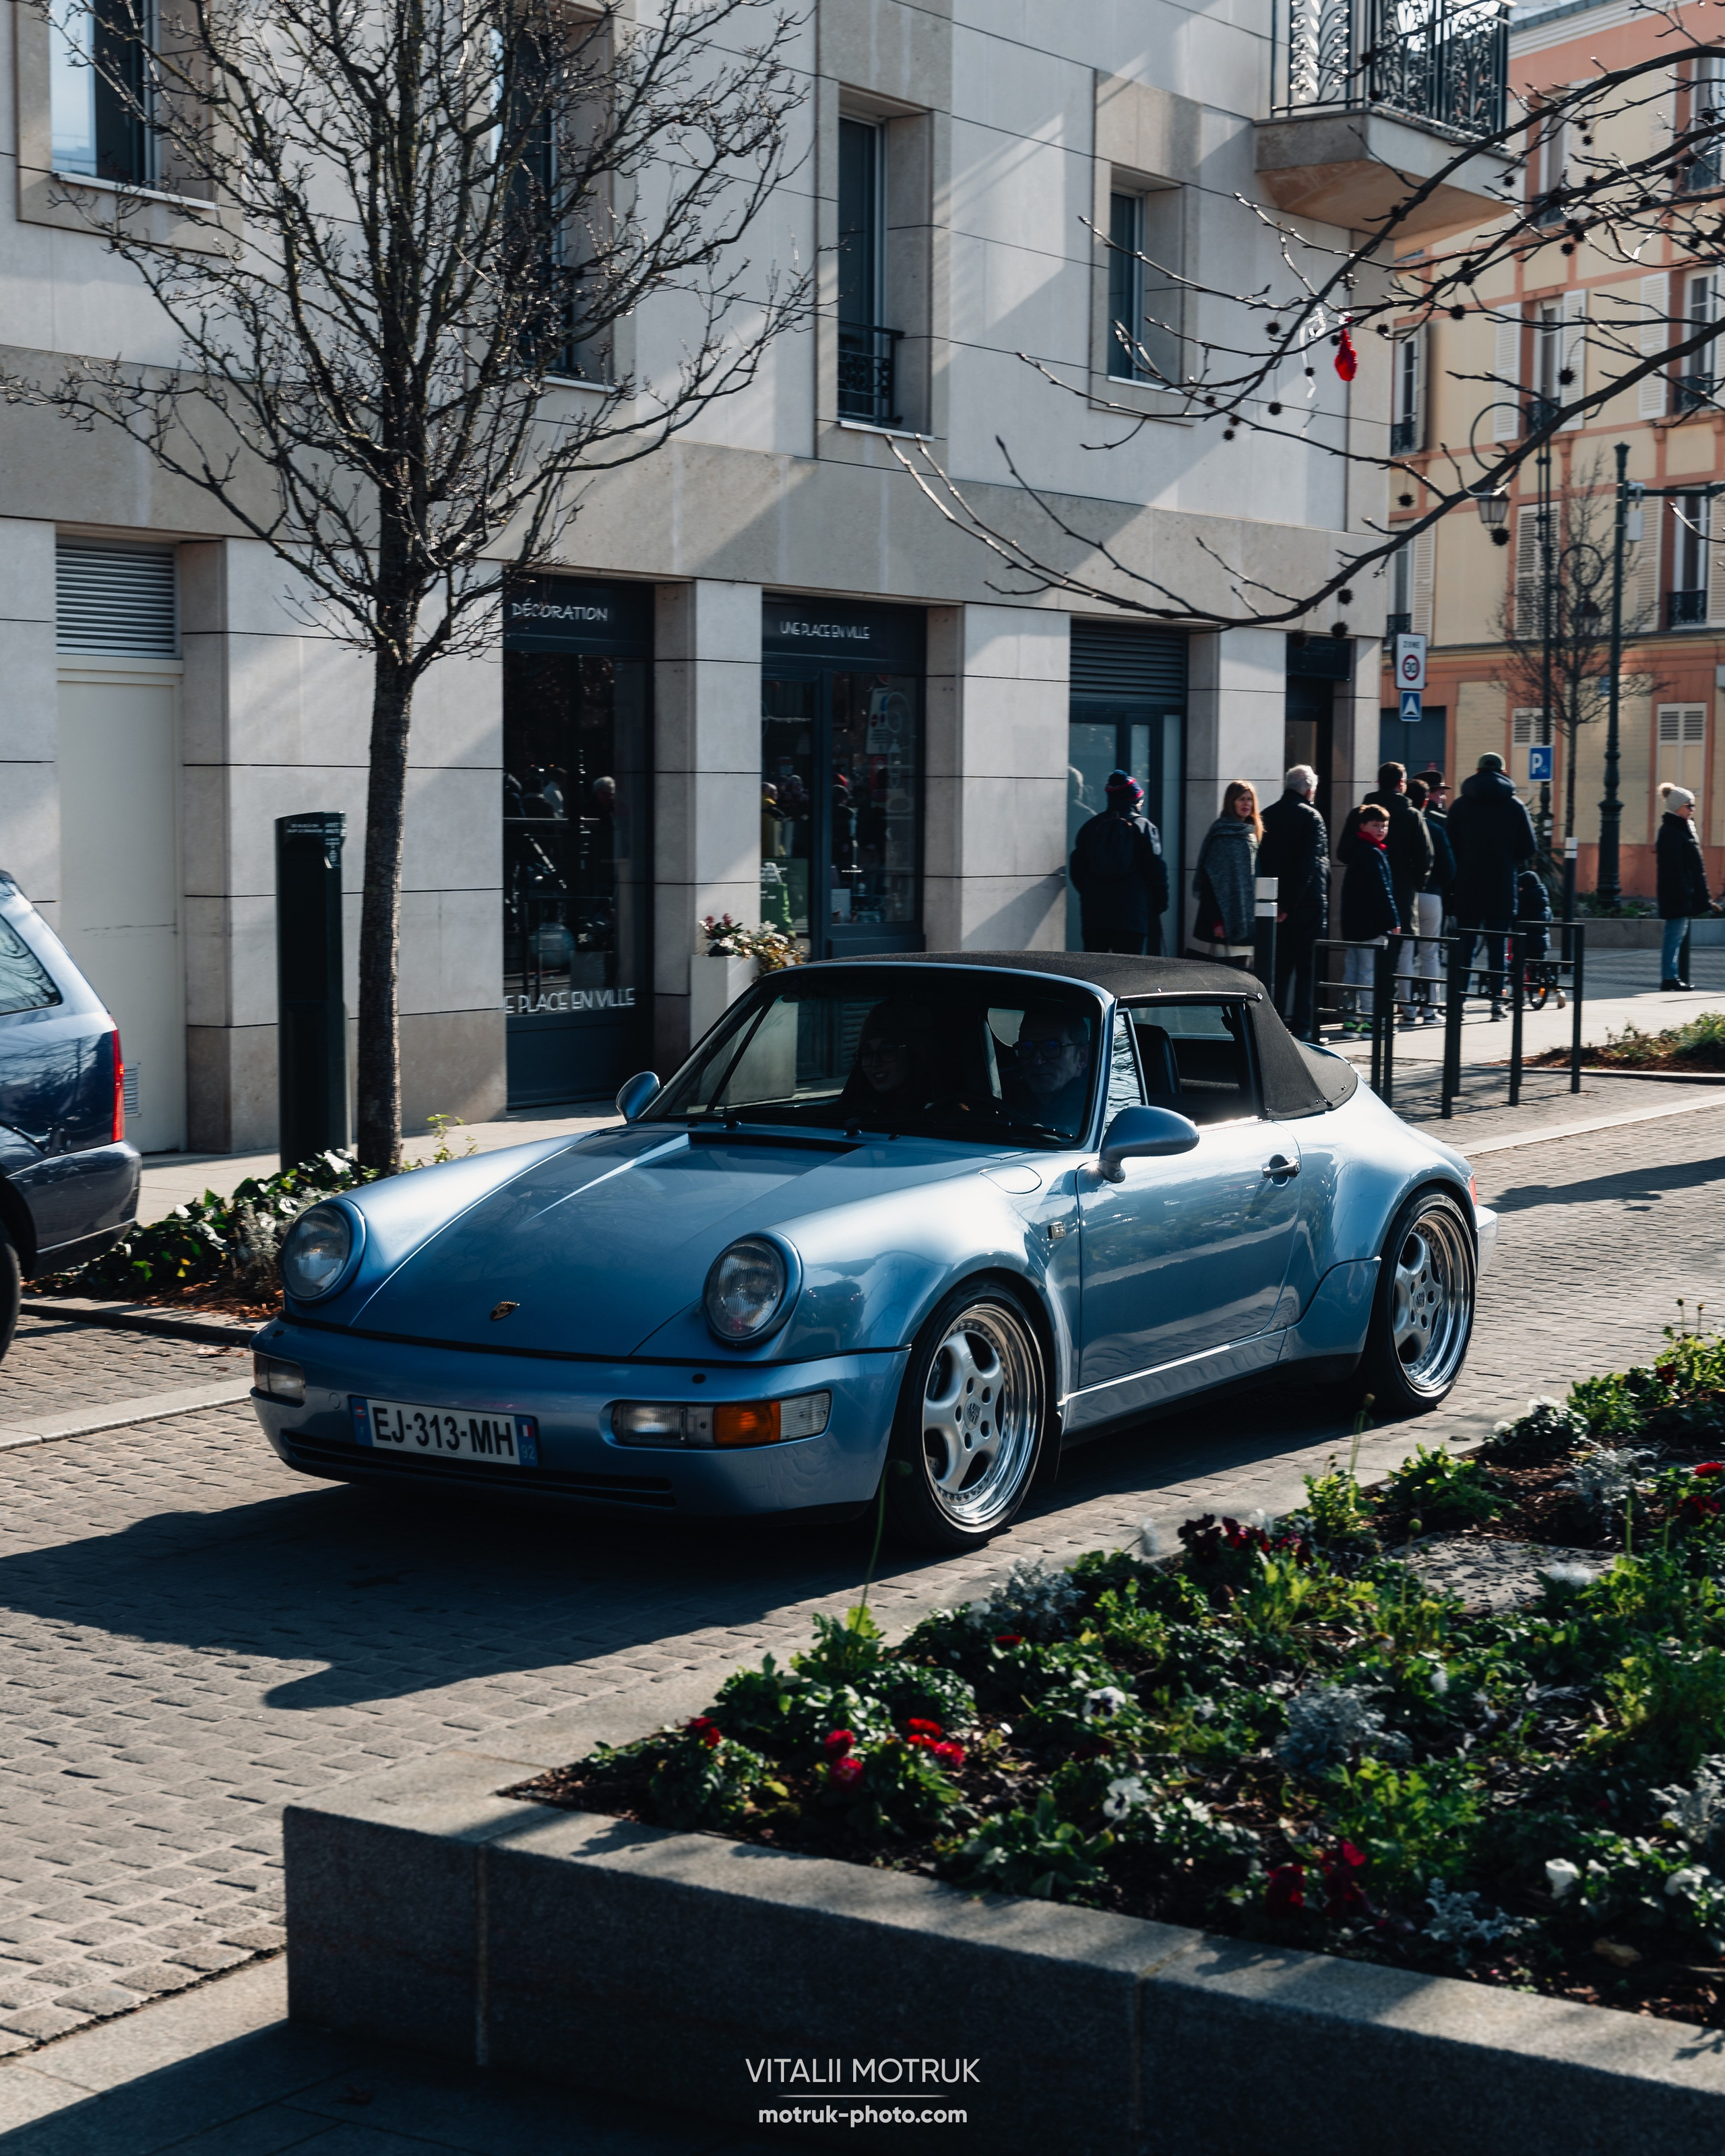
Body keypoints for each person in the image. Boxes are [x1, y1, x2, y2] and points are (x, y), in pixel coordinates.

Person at [1445, 752, 1538, 1021]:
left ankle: (1459, 1002)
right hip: (1502, 885)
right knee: (1498, 947)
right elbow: (1529, 847)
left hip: (1467, 885)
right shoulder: (1515, 805)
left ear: (1477, 771)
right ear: (1503, 772)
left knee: (1466, 946)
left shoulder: (1460, 805)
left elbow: (1449, 846)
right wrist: (1507, 860)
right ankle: (1498, 1003)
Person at [1256, 763, 1329, 1040]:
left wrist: (1280, 905)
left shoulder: (1268, 814)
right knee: (1308, 969)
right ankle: (1303, 1028)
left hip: (1274, 905)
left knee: (1280, 968)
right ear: (1309, 791)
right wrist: (1289, 905)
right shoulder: (1312, 817)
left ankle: (1274, 1027)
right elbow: (1309, 865)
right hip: (1306, 905)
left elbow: (1263, 863)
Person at [1069, 770, 1169, 955]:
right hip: (1132, 913)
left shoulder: (1090, 827)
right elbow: (1156, 869)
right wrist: (1159, 902)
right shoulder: (1145, 827)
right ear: (1135, 799)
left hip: (1095, 914)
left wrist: (1090, 893)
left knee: (1093, 966)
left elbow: (1077, 868)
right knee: (1127, 967)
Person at [1337, 801, 1399, 1034]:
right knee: (1369, 974)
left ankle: (1351, 1021)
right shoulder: (1372, 853)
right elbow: (1382, 890)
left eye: (1384, 826)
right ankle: (1371, 1021)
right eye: (1375, 825)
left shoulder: (1357, 850)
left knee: (1352, 973)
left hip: (1353, 924)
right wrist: (1393, 921)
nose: (1381, 830)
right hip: (1371, 925)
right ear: (1362, 826)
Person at [1188, 780, 1261, 969]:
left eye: (1249, 799)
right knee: (1228, 971)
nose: (1246, 804)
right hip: (1226, 919)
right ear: (1231, 802)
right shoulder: (1223, 835)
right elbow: (1213, 882)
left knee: (1246, 972)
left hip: (1248, 918)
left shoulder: (1251, 835)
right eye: (1241, 799)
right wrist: (1217, 922)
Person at [1655, 782, 1720, 990]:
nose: (1692, 809)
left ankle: (1671, 976)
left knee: (1676, 935)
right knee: (1673, 936)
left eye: (1693, 805)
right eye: (1688, 805)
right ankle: (1669, 978)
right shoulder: (1671, 831)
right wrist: (1685, 893)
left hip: (1683, 892)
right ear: (1676, 807)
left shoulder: (1683, 829)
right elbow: (1673, 868)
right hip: (1676, 893)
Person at [1406, 776, 1453, 1023]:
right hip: (1432, 894)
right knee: (1430, 953)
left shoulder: (1397, 824)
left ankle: (1406, 1010)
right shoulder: (1436, 826)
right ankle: (1430, 1009)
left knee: (1406, 953)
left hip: (1406, 894)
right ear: (1425, 800)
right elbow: (1449, 868)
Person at [1003, 1002, 1094, 1133]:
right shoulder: (1005, 1099)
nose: (1037, 1061)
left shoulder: (1093, 1109)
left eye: (1052, 1047)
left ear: (1082, 1057)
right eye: (1026, 1048)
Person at [844, 1000, 936, 1123]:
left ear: (911, 1055)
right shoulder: (854, 1114)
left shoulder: (937, 1115)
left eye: (887, 1051)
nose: (875, 1063)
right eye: (866, 1054)